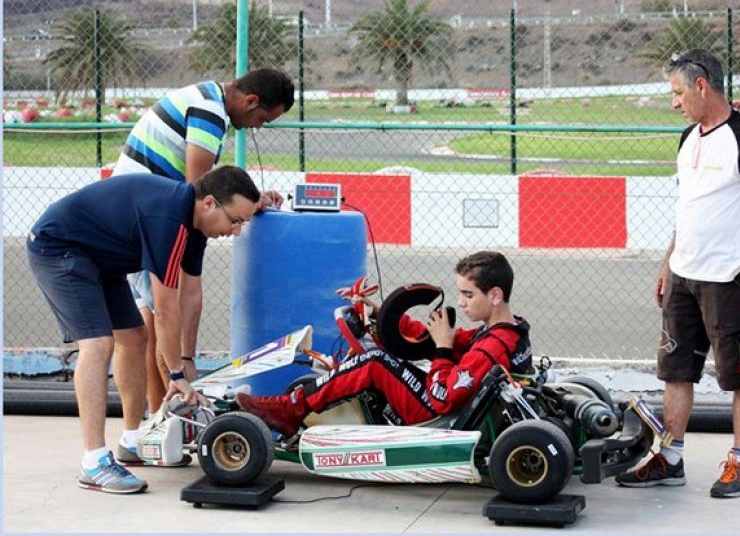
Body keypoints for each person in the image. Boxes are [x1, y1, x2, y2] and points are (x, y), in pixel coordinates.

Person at [615, 49, 740, 499]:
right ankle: (670, 458)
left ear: (701, 86)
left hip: (728, 278)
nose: (674, 103)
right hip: (681, 275)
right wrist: (666, 264)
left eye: (677, 92)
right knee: (676, 370)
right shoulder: (687, 138)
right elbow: (688, 208)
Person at [27, 166, 261, 494]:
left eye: (243, 223)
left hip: (100, 259)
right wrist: (177, 376)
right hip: (59, 248)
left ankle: (131, 441)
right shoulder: (168, 220)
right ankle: (94, 462)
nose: (236, 231)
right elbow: (165, 309)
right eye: (235, 220)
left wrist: (185, 358)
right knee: (97, 343)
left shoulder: (195, 226)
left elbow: (191, 296)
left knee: (135, 338)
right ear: (209, 203)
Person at [111, 68, 294, 419]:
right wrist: (184, 365)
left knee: (151, 326)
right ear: (250, 100)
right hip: (146, 224)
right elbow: (201, 189)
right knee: (167, 319)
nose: (257, 127)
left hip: (142, 218)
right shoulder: (209, 112)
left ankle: (156, 419)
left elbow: (207, 190)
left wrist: (250, 201)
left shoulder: (204, 97)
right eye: (262, 118)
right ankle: (178, 417)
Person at [236, 251, 533, 436]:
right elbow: (434, 337)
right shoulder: (507, 331)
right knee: (381, 359)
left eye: (468, 295)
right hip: (452, 398)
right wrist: (380, 311)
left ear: (494, 295)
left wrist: (442, 351)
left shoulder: (490, 347)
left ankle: (290, 410)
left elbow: (444, 396)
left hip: (437, 413)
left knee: (375, 362)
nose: (460, 302)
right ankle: (305, 400)